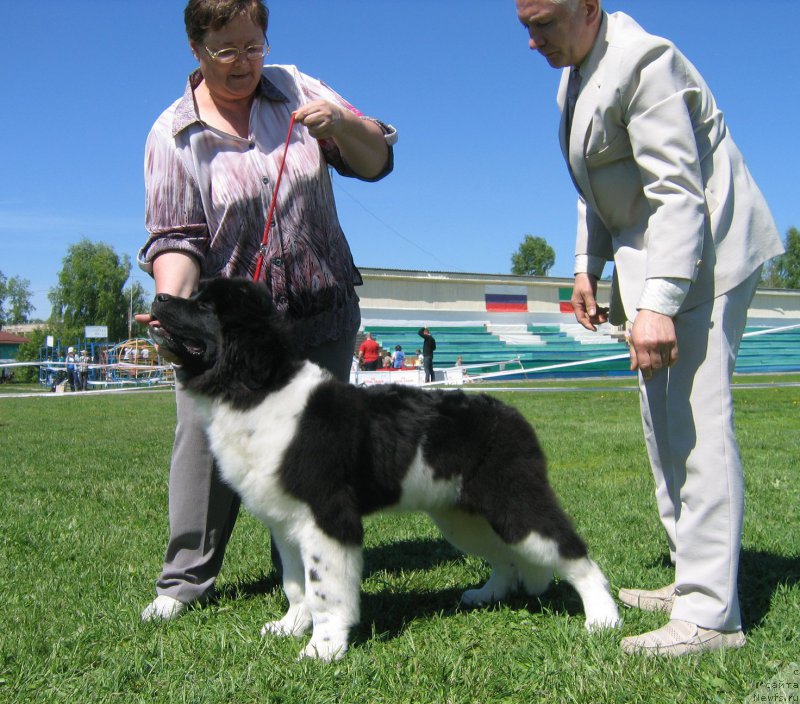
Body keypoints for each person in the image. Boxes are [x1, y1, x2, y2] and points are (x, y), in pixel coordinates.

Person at [515, 0, 784, 656]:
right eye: (524, 25)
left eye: (543, 21)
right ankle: (691, 574)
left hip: (708, 254)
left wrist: (659, 303)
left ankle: (713, 617)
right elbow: (597, 183)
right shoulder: (573, 71)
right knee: (659, 422)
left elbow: (677, 192)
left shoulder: (645, 62)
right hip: (655, 256)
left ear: (587, 9)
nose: (532, 40)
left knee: (696, 426)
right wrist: (587, 265)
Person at [136, 0, 396, 622]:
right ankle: (185, 580)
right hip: (233, 333)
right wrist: (171, 303)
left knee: (316, 455)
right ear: (196, 50)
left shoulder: (296, 86)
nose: (245, 63)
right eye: (227, 50)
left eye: (254, 47)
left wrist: (341, 126)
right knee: (204, 444)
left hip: (321, 305)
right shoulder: (173, 134)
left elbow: (377, 161)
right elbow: (177, 238)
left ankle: (320, 587)